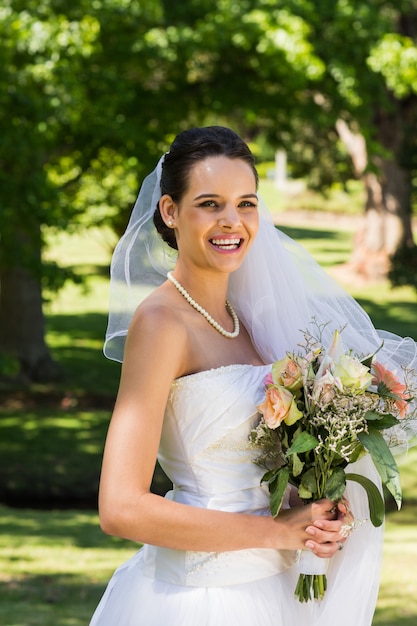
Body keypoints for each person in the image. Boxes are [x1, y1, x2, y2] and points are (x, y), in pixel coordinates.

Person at [90, 126, 417, 626]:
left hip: (277, 593)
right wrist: (280, 533)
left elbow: (255, 469)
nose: (232, 222)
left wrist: (313, 511)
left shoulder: (250, 321)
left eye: (246, 203)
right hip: (203, 603)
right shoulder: (161, 324)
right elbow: (121, 508)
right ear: (170, 212)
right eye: (210, 203)